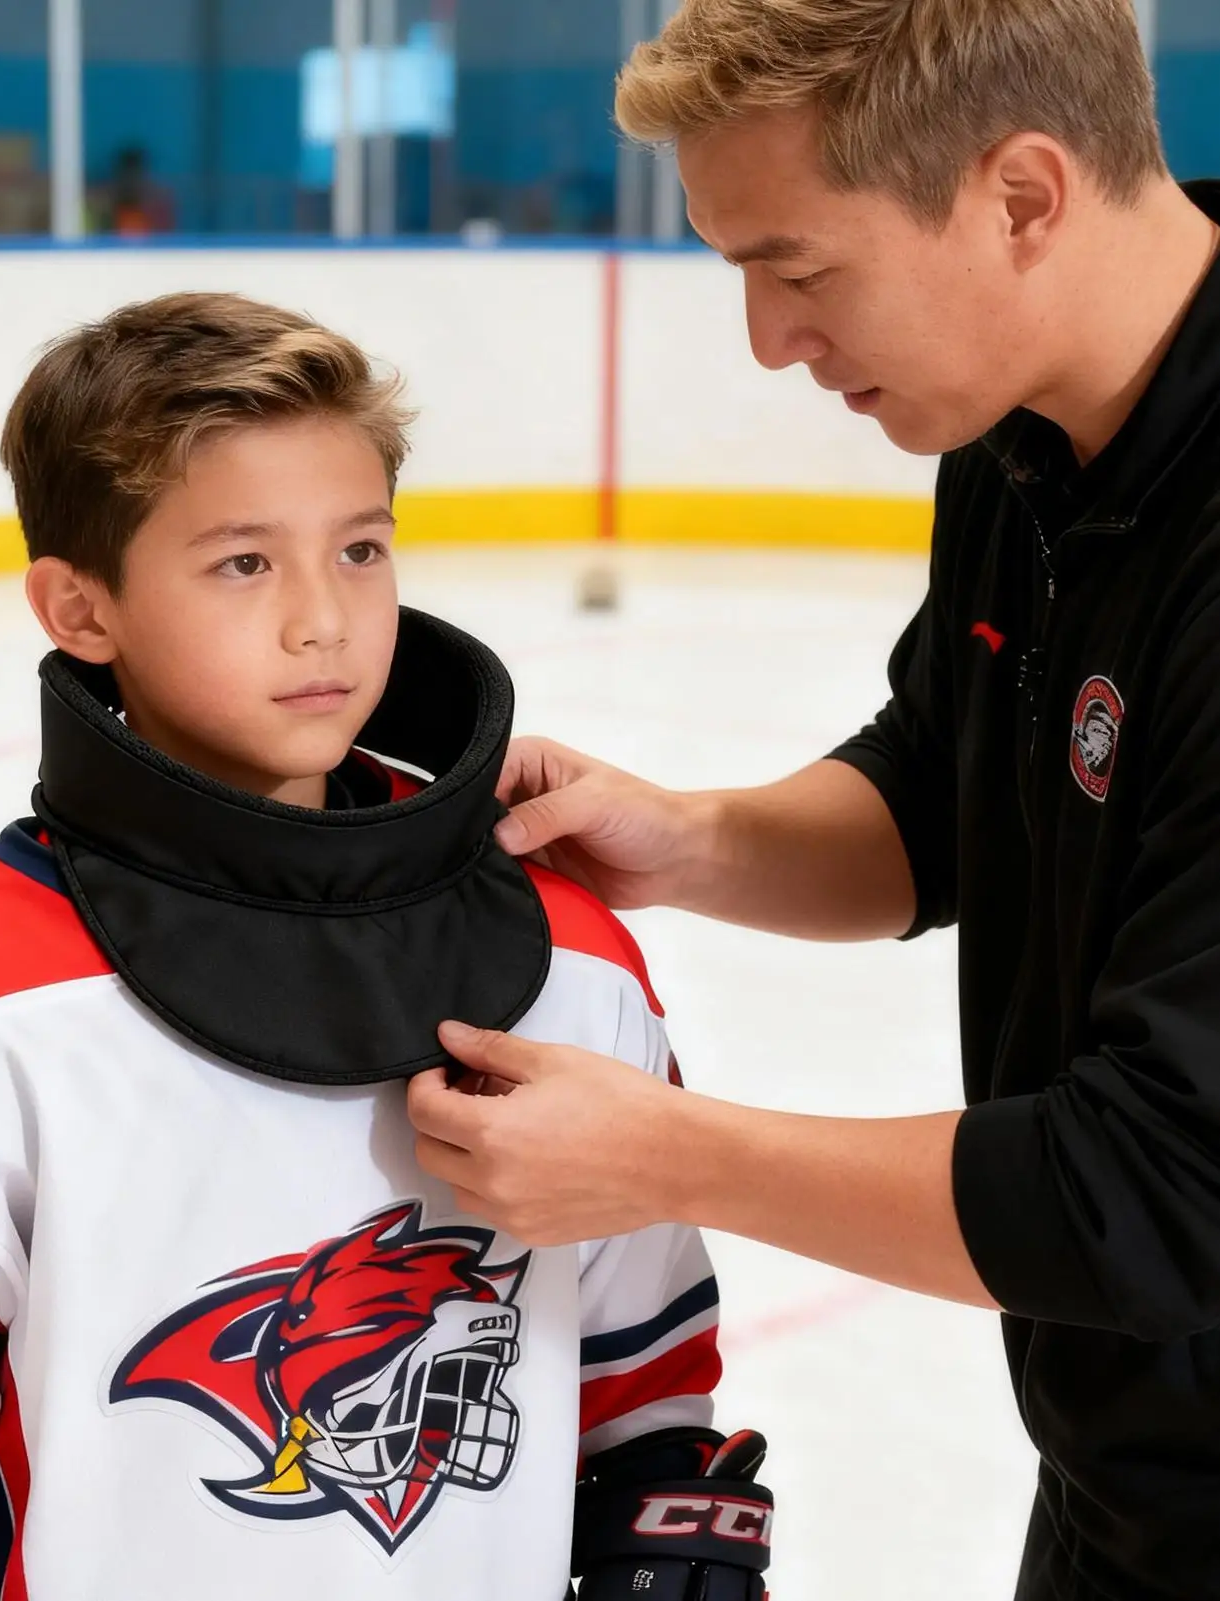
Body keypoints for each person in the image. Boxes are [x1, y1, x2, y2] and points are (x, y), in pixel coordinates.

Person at [0, 293, 773, 1600]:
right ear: (79, 608)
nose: (324, 619)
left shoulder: (571, 956)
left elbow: (643, 1389)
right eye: (244, 563)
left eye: (363, 550)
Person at [405, 3, 1220, 1599]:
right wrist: (693, 837)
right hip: (1131, 1475)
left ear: (1024, 196)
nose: (774, 341)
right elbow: (944, 789)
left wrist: (667, 1158)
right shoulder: (1029, 422)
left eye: (800, 269)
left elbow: (1162, 1192)